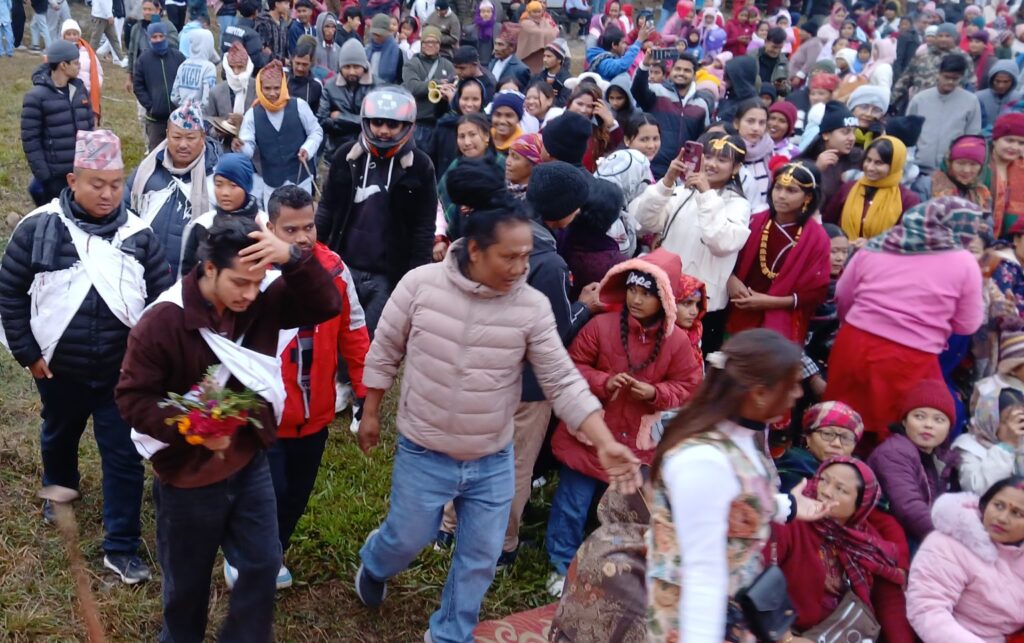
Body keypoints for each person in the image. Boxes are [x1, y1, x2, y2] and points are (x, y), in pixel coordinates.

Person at [353, 202, 642, 643]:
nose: (521, 267)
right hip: (425, 449)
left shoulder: (531, 306)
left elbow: (561, 378)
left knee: (481, 555)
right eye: (510, 256)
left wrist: (603, 440)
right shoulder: (420, 285)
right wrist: (370, 411)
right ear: (475, 250)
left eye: (526, 256)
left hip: (491, 456)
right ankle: (376, 562)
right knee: (406, 539)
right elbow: (386, 348)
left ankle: (449, 633)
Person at [117, 213, 342, 642]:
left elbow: (327, 304)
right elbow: (132, 399)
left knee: (263, 564)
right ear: (209, 268)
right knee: (187, 589)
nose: (250, 294)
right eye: (240, 282)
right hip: (186, 475)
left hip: (247, 459)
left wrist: (293, 258)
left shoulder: (261, 299)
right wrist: (193, 425)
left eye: (258, 282)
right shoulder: (162, 321)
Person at [0, 129, 172, 583]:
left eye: (116, 184)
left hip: (120, 374)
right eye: (98, 184)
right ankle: (60, 490)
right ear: (73, 181)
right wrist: (27, 352)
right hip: (58, 370)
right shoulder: (38, 228)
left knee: (123, 454)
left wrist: (149, 368)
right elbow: (10, 292)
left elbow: (163, 304)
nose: (108, 194)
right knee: (59, 434)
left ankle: (121, 546)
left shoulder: (139, 237)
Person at [647, 328, 834, 642]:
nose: (798, 394)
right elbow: (702, 571)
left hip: (730, 606)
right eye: (790, 386)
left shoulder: (739, 436)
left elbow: (735, 501)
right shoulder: (704, 460)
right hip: (695, 616)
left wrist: (787, 505)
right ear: (759, 393)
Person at [546, 250, 701, 595]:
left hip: (635, 445)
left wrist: (655, 393)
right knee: (571, 505)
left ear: (664, 298)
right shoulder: (600, 326)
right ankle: (560, 565)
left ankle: (606, 568)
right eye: (632, 289)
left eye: (646, 293)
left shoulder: (677, 342)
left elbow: (689, 387)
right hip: (590, 438)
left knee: (618, 515)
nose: (636, 299)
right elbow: (573, 366)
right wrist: (604, 382)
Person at [825, 197, 984, 449]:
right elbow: (968, 324)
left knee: (840, 425)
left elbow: (843, 295)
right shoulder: (964, 261)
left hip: (854, 345)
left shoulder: (877, 245)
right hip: (911, 358)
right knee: (897, 435)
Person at [316, 87, 436, 336]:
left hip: (387, 276)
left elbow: (424, 229)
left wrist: (416, 281)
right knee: (333, 335)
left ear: (408, 125)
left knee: (369, 341)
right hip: (343, 266)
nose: (383, 130)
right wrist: (314, 252)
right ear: (365, 121)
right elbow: (327, 208)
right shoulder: (346, 156)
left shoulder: (420, 166)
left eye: (392, 124)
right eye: (377, 122)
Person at [634, 132, 751, 354]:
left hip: (702, 306)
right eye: (708, 156)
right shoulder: (680, 192)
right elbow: (644, 221)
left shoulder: (738, 205)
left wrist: (706, 194)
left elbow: (720, 242)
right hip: (665, 294)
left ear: (736, 168)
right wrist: (667, 182)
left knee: (691, 365)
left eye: (722, 160)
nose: (712, 164)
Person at [772, 457, 913, 641]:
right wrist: (786, 638)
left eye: (841, 489)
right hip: (789, 633)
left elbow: (889, 602)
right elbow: (759, 580)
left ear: (861, 504)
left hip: (843, 633)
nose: (826, 491)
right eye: (823, 480)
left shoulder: (864, 541)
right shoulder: (790, 523)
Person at [906, 478, 1024, 642]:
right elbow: (927, 611)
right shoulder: (948, 543)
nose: (1002, 518)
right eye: (998, 505)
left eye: (1017, 513)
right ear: (985, 504)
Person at [726, 161, 831, 345]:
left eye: (791, 190)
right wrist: (730, 279)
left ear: (807, 197)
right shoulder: (753, 222)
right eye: (778, 188)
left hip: (783, 321)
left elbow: (816, 293)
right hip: (740, 310)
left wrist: (770, 302)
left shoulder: (817, 238)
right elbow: (726, 258)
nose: (781, 195)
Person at [125, 101, 217, 280]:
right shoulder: (146, 172)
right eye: (176, 137)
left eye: (190, 138)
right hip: (144, 271)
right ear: (167, 134)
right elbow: (127, 212)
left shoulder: (216, 179)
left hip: (191, 277)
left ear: (203, 137)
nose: (183, 144)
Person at [236, 60, 323, 206]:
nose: (272, 93)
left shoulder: (299, 106)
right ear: (260, 87)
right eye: (267, 88)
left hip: (301, 181)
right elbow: (248, 149)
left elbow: (316, 131)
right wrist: (241, 147)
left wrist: (307, 149)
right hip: (272, 186)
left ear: (283, 85)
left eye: (277, 88)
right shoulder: (252, 115)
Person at [21, 40, 94, 207]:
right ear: (63, 65)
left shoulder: (80, 89)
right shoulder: (36, 97)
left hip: (80, 171)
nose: (79, 66)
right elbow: (30, 140)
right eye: (76, 63)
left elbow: (90, 126)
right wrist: (44, 176)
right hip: (54, 176)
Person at [630, 51, 711, 179]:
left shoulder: (701, 105)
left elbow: (703, 139)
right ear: (671, 71)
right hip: (652, 166)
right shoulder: (657, 91)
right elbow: (637, 90)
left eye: (687, 70)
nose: (681, 73)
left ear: (694, 75)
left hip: (681, 172)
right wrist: (645, 65)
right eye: (677, 69)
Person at [824, 136, 920, 243]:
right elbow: (828, 225)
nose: (870, 167)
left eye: (878, 163)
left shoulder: (907, 200)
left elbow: (907, 239)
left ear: (894, 165)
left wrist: (873, 244)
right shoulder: (848, 188)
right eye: (868, 160)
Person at [907, 55, 982, 174]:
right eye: (946, 77)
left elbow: (972, 136)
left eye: (955, 79)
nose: (950, 82)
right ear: (939, 74)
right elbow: (908, 132)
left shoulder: (971, 101)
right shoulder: (920, 99)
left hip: (951, 170)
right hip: (918, 168)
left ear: (961, 77)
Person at [776, 400, 865, 492]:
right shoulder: (791, 471)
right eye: (827, 434)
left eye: (846, 438)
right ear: (808, 437)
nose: (837, 444)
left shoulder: (859, 478)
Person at [955, 387, 1024, 495]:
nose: (1015, 428)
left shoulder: (1020, 442)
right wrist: (1006, 447)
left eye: (1020, 421)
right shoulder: (967, 446)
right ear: (990, 421)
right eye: (1007, 421)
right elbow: (979, 490)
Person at [892, 22, 974, 111]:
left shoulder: (963, 58)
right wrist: (892, 102)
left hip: (950, 108)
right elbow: (904, 81)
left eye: (947, 36)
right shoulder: (922, 56)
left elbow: (970, 83)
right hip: (921, 106)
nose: (943, 39)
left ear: (955, 38)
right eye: (940, 36)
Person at [318, 38, 374, 162]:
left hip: (368, 155)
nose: (351, 71)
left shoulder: (376, 87)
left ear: (364, 66)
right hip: (335, 154)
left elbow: (375, 123)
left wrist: (340, 117)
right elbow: (322, 121)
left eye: (356, 66)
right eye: (347, 67)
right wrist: (360, 121)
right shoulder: (330, 87)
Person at [402, 25, 454, 158]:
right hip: (419, 124)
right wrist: (436, 84)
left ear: (439, 44)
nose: (430, 45)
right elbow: (412, 87)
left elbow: (454, 86)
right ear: (421, 43)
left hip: (440, 124)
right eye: (426, 42)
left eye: (434, 42)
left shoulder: (448, 65)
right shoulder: (412, 64)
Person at [134, 22, 185, 152]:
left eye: (161, 36)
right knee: (156, 153)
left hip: (177, 117)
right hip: (155, 120)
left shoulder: (178, 57)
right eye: (154, 37)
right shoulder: (143, 60)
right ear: (149, 38)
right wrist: (150, 106)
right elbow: (138, 85)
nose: (158, 40)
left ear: (166, 36)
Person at [797, 100, 861, 205]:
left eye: (854, 132)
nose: (852, 138)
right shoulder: (803, 162)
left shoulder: (861, 160)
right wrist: (815, 170)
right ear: (826, 134)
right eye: (845, 132)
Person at [931, 135, 992, 213]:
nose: (966, 170)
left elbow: (987, 219)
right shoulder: (929, 185)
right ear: (949, 163)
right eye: (960, 163)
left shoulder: (982, 193)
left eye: (973, 164)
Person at [986, 113, 1024, 237]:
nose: (1014, 147)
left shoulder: (1021, 168)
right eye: (1009, 140)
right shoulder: (979, 165)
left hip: (1010, 239)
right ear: (995, 140)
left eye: (1021, 143)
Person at [733, 99, 773, 211]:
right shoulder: (728, 152)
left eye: (762, 123)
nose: (756, 128)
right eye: (750, 121)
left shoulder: (769, 150)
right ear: (736, 124)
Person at [61, 20, 102, 124]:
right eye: (68, 34)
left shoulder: (87, 52)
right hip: (66, 94)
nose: (72, 37)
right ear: (63, 36)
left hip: (86, 94)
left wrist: (96, 86)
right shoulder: (58, 52)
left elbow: (98, 72)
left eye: (74, 34)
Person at [170, 27, 216, 108]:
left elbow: (174, 97)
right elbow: (208, 100)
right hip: (201, 114)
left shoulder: (183, 66)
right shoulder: (209, 68)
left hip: (182, 113)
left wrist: (184, 108)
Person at [585, 25, 650, 82]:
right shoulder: (602, 62)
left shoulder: (606, 56)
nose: (625, 46)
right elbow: (622, 65)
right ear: (614, 45)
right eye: (623, 42)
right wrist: (638, 41)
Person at [516, 0, 558, 74]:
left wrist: (549, 32)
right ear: (529, 12)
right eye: (534, 12)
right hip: (529, 55)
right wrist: (548, 33)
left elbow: (555, 30)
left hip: (542, 55)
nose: (537, 14)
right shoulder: (525, 21)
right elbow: (538, 33)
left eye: (539, 11)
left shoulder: (545, 18)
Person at [220, 0, 264, 70]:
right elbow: (257, 63)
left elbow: (223, 54)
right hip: (244, 74)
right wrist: (267, 55)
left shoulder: (227, 30)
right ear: (256, 12)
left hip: (227, 72)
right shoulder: (252, 35)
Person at [977, 60, 1020, 129]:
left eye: (1006, 82)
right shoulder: (978, 97)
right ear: (992, 80)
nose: (1001, 86)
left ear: (1013, 81)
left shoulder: (1019, 99)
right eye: (997, 81)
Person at [528, 39, 571, 107]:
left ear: (559, 60)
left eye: (549, 56)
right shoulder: (537, 77)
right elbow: (526, 94)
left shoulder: (567, 80)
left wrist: (546, 97)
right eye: (544, 56)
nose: (545, 59)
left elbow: (564, 102)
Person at [488, 23, 531, 91]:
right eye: (495, 44)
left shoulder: (521, 70)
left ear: (511, 48)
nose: (496, 48)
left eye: (500, 45)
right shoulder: (492, 63)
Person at [287, 39, 323, 115]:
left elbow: (318, 114)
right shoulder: (282, 78)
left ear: (311, 63)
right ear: (292, 60)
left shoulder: (316, 86)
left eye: (304, 64)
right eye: (297, 63)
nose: (300, 68)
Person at [504, 131, 541, 197]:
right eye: (508, 154)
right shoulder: (496, 185)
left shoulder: (536, 198)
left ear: (534, 164)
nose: (507, 162)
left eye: (515, 157)